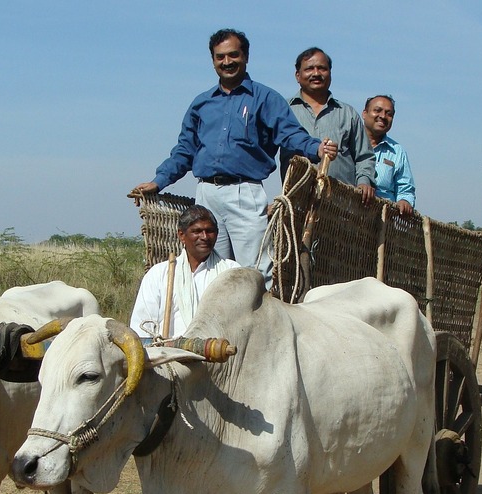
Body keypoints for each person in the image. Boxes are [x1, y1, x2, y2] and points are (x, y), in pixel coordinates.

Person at [130, 29, 338, 283]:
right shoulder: (201, 104)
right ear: (213, 60)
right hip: (207, 194)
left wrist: (316, 148)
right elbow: (185, 150)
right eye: (220, 57)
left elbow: (290, 134)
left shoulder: (265, 98)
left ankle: (257, 323)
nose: (227, 62)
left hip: (245, 193)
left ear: (245, 56)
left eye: (233, 55)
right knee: (208, 271)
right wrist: (159, 180)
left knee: (254, 272)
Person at [130, 205, 240, 339]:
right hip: (169, 354)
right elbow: (142, 328)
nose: (204, 237)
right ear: (182, 235)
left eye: (209, 231)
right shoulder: (160, 274)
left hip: (218, 353)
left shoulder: (232, 272)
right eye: (197, 231)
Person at [281, 47, 375, 202]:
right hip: (296, 201)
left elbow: (364, 156)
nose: (316, 73)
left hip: (341, 206)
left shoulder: (347, 114)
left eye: (322, 68)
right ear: (298, 75)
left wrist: (364, 182)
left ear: (330, 73)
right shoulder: (284, 111)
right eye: (309, 68)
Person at [363, 94, 415, 215]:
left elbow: (405, 189)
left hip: (382, 221)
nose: (383, 116)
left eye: (389, 114)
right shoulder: (349, 142)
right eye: (377, 110)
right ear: (364, 114)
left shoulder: (397, 152)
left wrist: (404, 201)